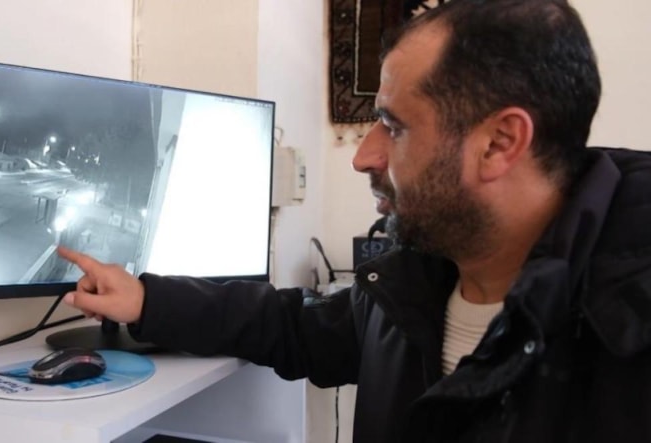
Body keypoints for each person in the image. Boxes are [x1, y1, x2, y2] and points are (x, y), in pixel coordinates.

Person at [57, 0, 651, 441]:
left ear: (499, 143)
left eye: (393, 126)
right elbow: (292, 326)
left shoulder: (629, 325)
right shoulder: (415, 280)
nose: (364, 156)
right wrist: (147, 301)